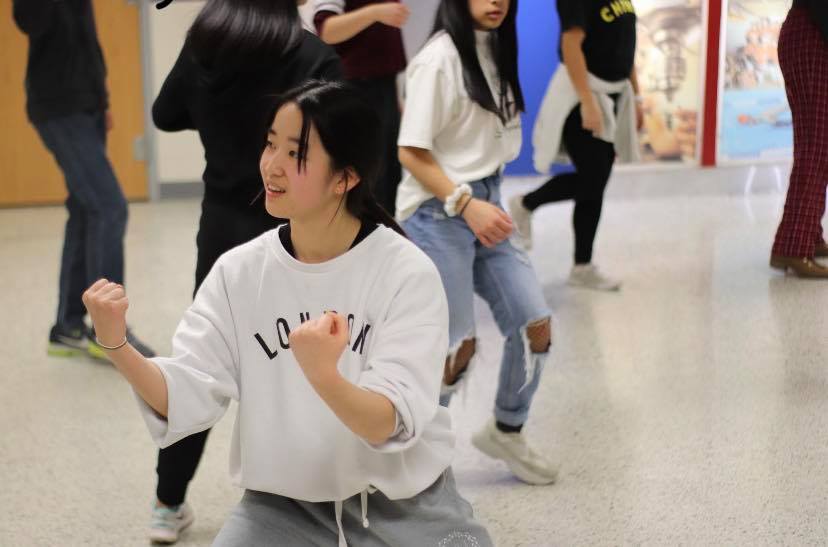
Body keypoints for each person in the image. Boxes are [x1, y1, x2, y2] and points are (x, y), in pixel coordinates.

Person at [83, 80, 493, 547]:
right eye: (270, 144)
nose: (271, 166)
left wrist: (325, 377)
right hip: (281, 509)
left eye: (295, 153)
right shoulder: (239, 273)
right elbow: (186, 395)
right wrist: (116, 344)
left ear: (346, 177)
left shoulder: (406, 272)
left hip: (405, 504)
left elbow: (388, 421)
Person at [148, 0, 342, 541]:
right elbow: (340, 147)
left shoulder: (205, 45)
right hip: (297, 235)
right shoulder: (313, 55)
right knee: (301, 365)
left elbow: (166, 115)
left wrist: (217, 104)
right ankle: (308, 505)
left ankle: (167, 503)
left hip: (223, 233)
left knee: (203, 366)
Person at [397, 0, 558, 485]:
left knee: (537, 326)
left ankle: (507, 429)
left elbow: (487, 142)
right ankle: (417, 450)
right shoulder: (439, 59)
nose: (496, 2)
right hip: (436, 209)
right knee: (456, 347)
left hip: (486, 201)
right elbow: (410, 150)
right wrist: (466, 204)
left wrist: (483, 201)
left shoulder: (496, 48)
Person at [12, 0, 155, 359]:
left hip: (85, 104)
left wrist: (102, 99)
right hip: (58, 107)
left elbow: (86, 39)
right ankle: (105, 331)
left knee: (86, 210)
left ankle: (68, 326)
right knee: (110, 207)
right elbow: (29, 21)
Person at [509, 0, 644, 291]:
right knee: (592, 180)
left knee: (596, 183)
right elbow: (571, 45)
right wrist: (587, 101)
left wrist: (638, 96)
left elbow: (625, 48)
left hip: (614, 95)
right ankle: (526, 203)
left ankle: (582, 266)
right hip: (581, 95)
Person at [313, 0, 410, 215]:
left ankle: (380, 237)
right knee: (364, 176)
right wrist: (374, 13)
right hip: (355, 89)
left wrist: (395, 102)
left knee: (387, 178)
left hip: (382, 89)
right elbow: (326, 29)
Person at [769, 0, 828, 278]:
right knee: (818, 147)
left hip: (809, 35)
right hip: (813, 37)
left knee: (815, 145)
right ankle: (794, 247)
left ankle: (808, 235)